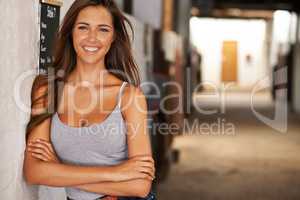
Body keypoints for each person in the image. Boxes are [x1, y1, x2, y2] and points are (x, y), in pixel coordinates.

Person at [23, 0, 155, 200]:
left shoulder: (129, 96)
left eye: (103, 30)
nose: (92, 38)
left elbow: (140, 186)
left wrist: (59, 170)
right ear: (70, 32)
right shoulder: (47, 90)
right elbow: (34, 171)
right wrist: (116, 173)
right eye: (83, 27)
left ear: (113, 37)